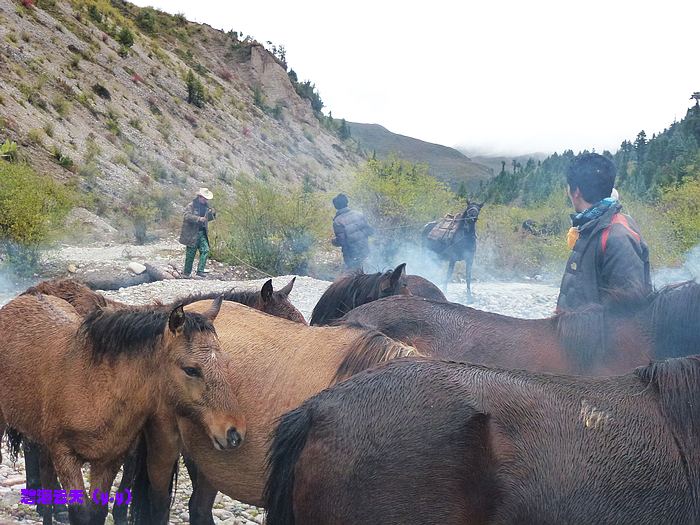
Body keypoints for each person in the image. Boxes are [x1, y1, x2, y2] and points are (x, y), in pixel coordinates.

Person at [557, 153, 651, 311]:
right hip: (574, 333)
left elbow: (628, 314)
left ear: (576, 191)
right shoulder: (590, 226)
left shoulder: (618, 236)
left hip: (593, 335)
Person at [331, 193, 374, 271]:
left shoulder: (337, 221)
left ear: (336, 206)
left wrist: (333, 241)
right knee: (364, 272)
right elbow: (370, 232)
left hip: (351, 254)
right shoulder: (359, 214)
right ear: (347, 202)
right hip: (365, 251)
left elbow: (341, 241)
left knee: (353, 274)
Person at [180, 188, 216, 278]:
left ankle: (200, 270)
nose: (206, 200)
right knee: (190, 254)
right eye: (204, 198)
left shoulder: (207, 207)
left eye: (206, 199)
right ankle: (186, 273)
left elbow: (209, 218)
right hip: (192, 234)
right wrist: (198, 219)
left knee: (205, 250)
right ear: (199, 197)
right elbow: (186, 216)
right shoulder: (191, 206)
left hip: (202, 233)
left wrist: (213, 214)